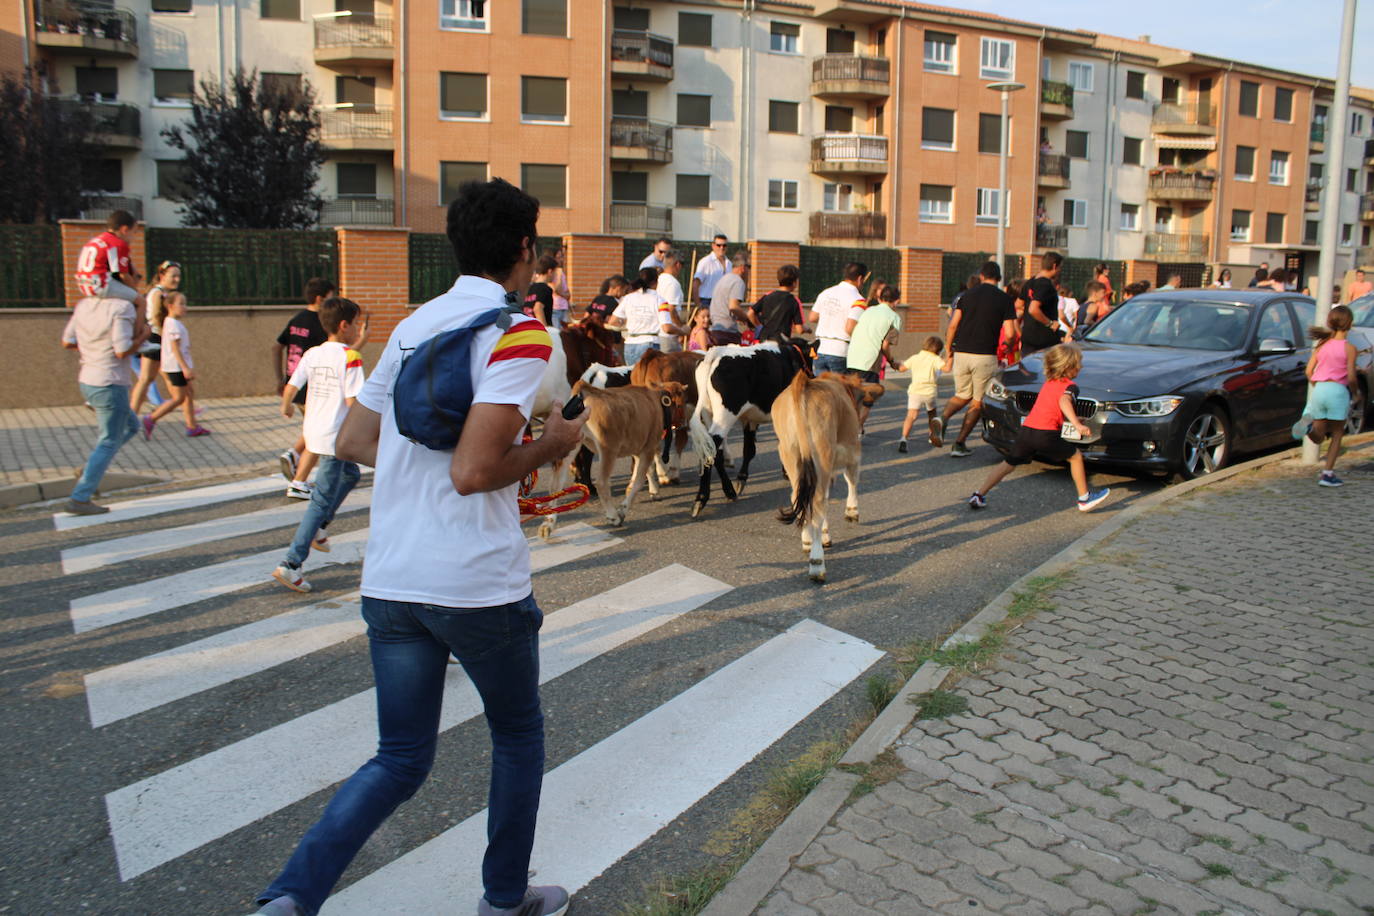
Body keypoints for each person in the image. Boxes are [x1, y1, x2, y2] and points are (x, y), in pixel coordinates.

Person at [248, 177, 584, 916]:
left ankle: (288, 900)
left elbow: (353, 438)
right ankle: (503, 900)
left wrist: (429, 461)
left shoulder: (411, 326)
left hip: (393, 578)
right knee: (519, 737)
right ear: (525, 250)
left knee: (399, 758)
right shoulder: (520, 332)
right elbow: (472, 472)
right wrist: (550, 444)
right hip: (475, 583)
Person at [272, 297, 367, 592]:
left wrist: (287, 406)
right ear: (344, 325)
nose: (357, 330)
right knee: (320, 500)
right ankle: (291, 563)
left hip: (314, 433)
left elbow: (291, 386)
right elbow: (354, 402)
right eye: (356, 324)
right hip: (335, 437)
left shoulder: (313, 353)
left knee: (351, 475)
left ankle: (321, 530)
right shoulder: (350, 357)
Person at [966, 343, 1110, 512]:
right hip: (1045, 434)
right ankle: (1084, 498)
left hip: (1027, 431)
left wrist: (1072, 419)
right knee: (1076, 457)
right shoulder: (1070, 386)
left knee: (1009, 463)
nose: (1081, 367)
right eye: (1079, 363)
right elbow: (1064, 401)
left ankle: (979, 494)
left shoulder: (1048, 383)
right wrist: (1077, 424)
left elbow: (1051, 410)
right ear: (1069, 366)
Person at [60, 279, 151, 515]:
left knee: (131, 425)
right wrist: (143, 337)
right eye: (134, 277)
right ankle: (80, 497)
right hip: (110, 382)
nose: (137, 280)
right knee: (109, 440)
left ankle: (90, 470)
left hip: (88, 379)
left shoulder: (84, 305)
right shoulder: (122, 308)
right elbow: (122, 349)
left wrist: (94, 350)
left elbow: (67, 341)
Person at [939, 261, 1017, 458]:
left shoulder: (966, 295)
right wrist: (1007, 346)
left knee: (962, 394)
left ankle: (941, 419)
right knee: (977, 401)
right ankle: (959, 443)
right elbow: (1010, 333)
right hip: (985, 355)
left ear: (981, 275)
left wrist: (949, 349)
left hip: (962, 353)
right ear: (998, 278)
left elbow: (952, 325)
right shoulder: (1005, 299)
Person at [274, 278, 338, 500]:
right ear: (321, 298)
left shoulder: (297, 319)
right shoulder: (319, 323)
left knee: (313, 430)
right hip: (314, 386)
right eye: (331, 296)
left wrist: (280, 377)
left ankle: (294, 456)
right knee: (316, 435)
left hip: (295, 382)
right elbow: (333, 350)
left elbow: (277, 346)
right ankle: (299, 479)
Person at [1297, 305, 1358, 488]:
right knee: (1337, 433)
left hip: (1320, 389)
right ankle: (1327, 474)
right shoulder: (1350, 348)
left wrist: (1317, 384)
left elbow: (1309, 371)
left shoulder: (1321, 345)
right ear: (1349, 324)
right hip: (1338, 391)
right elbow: (1352, 376)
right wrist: (1356, 393)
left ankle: (1309, 430)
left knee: (1319, 433)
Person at [141, 291, 210, 438]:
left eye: (185, 304)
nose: (185, 307)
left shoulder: (172, 322)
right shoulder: (173, 325)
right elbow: (175, 349)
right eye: (181, 304)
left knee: (189, 393)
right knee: (179, 398)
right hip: (176, 367)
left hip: (177, 366)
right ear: (171, 306)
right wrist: (185, 368)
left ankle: (192, 426)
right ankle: (151, 418)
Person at [130, 260, 180, 414]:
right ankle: (132, 414)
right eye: (173, 276)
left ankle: (186, 408)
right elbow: (155, 319)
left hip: (158, 339)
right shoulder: (157, 294)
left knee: (164, 377)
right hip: (155, 339)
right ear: (162, 275)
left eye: (179, 276)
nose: (177, 279)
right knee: (146, 379)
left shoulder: (163, 293)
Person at [608, 267, 684, 366]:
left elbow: (613, 321)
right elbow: (667, 328)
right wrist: (683, 331)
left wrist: (626, 323)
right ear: (656, 282)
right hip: (650, 343)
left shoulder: (628, 298)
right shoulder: (660, 300)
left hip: (630, 344)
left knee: (633, 379)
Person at [75, 209, 143, 306]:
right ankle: (140, 322)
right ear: (125, 230)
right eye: (134, 232)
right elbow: (123, 275)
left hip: (83, 283)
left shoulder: (97, 240)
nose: (133, 237)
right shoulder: (118, 244)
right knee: (141, 302)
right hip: (100, 284)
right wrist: (135, 291)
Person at [809, 263, 868, 374]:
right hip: (840, 351)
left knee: (822, 390)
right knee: (841, 390)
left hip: (820, 349)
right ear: (860, 279)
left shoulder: (826, 293)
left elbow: (812, 317)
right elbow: (850, 328)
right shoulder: (858, 300)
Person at [896, 335, 944, 452]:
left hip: (915, 391)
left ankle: (904, 438)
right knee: (932, 414)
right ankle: (932, 435)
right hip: (929, 392)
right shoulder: (935, 359)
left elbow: (901, 368)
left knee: (911, 416)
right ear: (938, 350)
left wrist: (894, 363)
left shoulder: (915, 357)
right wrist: (949, 357)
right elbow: (945, 368)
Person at [1019, 252, 1064, 354]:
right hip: (1043, 342)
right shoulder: (1045, 284)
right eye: (1060, 267)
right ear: (1054, 266)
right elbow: (1033, 309)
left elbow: (1018, 304)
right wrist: (1050, 323)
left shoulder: (1030, 282)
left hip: (1028, 339)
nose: (1060, 271)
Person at [749, 264, 804, 346]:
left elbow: (750, 313)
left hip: (764, 341)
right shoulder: (794, 301)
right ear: (794, 282)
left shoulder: (767, 296)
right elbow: (800, 329)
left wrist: (759, 326)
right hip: (780, 344)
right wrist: (807, 329)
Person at [707, 251, 750, 346]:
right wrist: (747, 319)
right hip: (727, 332)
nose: (749, 271)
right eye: (749, 267)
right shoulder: (738, 281)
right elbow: (733, 307)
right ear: (743, 268)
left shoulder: (723, 279)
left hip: (715, 328)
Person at [691, 234, 731, 315]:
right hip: (706, 301)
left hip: (723, 302)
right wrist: (698, 305)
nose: (721, 248)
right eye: (718, 245)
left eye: (724, 245)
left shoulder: (729, 263)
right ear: (713, 246)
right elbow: (695, 284)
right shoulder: (705, 262)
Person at [656, 250, 686, 352]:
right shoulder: (673, 283)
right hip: (669, 336)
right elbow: (671, 310)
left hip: (659, 332)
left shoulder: (658, 280)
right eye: (682, 264)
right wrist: (681, 329)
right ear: (677, 264)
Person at [525, 255, 556, 325]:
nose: (555, 275)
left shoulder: (529, 288)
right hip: (538, 329)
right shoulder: (545, 289)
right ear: (550, 271)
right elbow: (538, 308)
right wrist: (545, 331)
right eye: (555, 272)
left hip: (528, 327)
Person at [547, 246, 571, 330]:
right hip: (555, 308)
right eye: (559, 257)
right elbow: (556, 289)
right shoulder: (553, 273)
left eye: (562, 257)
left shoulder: (562, 273)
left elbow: (567, 292)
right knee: (557, 332)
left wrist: (564, 295)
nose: (561, 260)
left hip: (564, 307)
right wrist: (559, 272)